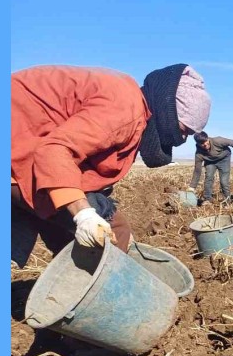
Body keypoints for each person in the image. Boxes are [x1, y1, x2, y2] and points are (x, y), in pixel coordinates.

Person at [11, 64, 210, 266]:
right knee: (113, 231)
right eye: (183, 130)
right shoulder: (125, 109)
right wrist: (84, 214)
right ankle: (98, 292)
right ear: (169, 110)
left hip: (24, 147)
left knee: (70, 231)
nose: (182, 139)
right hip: (20, 146)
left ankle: (73, 288)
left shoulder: (132, 104)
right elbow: (53, 150)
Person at [189, 132, 233, 204]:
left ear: (208, 138)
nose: (205, 144)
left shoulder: (218, 141)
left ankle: (227, 200)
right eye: (202, 144)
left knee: (224, 181)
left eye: (206, 142)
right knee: (209, 177)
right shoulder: (199, 154)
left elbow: (232, 142)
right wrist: (192, 187)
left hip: (224, 159)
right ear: (198, 144)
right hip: (210, 162)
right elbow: (197, 171)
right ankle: (207, 199)